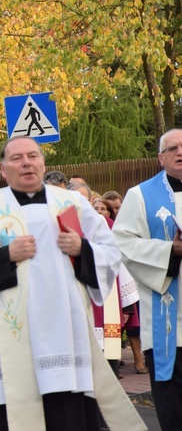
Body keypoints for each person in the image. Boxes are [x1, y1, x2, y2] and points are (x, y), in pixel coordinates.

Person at [0, 137, 142, 431]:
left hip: (66, 340)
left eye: (33, 155)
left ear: (43, 163)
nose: (26, 162)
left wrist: (82, 249)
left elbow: (112, 254)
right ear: (2, 169)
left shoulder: (73, 204)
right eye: (17, 157)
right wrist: (4, 257)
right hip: (7, 342)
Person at [112, 128, 182, 430]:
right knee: (173, 406)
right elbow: (123, 244)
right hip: (168, 322)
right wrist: (172, 251)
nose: (180, 152)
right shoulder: (140, 195)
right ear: (160, 158)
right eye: (173, 148)